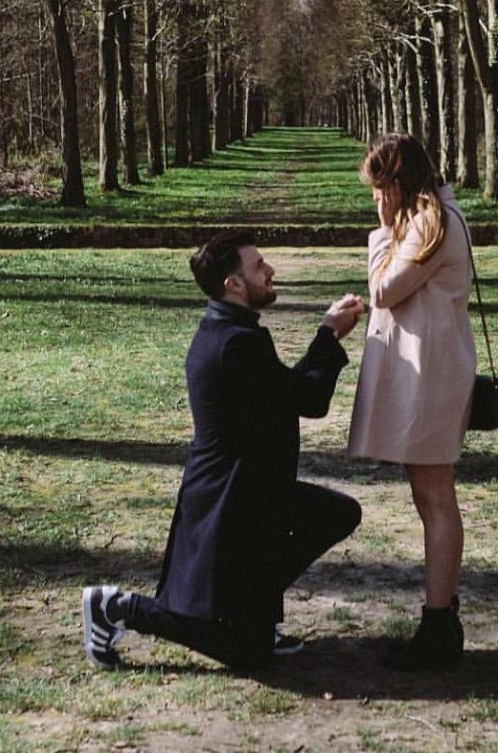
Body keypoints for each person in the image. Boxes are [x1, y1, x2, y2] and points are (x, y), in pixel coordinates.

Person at [82, 229, 364, 672]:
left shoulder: (229, 330)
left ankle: (257, 614)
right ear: (234, 283)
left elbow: (286, 392)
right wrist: (328, 334)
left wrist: (327, 336)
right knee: (246, 653)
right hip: (228, 509)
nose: (270, 271)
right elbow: (309, 399)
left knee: (335, 513)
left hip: (253, 496)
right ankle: (117, 607)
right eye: (259, 266)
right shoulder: (236, 342)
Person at [348, 133, 477, 671]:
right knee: (431, 494)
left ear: (397, 184)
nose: (376, 199)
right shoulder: (435, 217)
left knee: (435, 494)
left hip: (431, 375)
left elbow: (383, 290)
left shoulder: (430, 223)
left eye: (380, 188)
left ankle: (440, 623)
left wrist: (382, 232)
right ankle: (442, 614)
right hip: (432, 369)